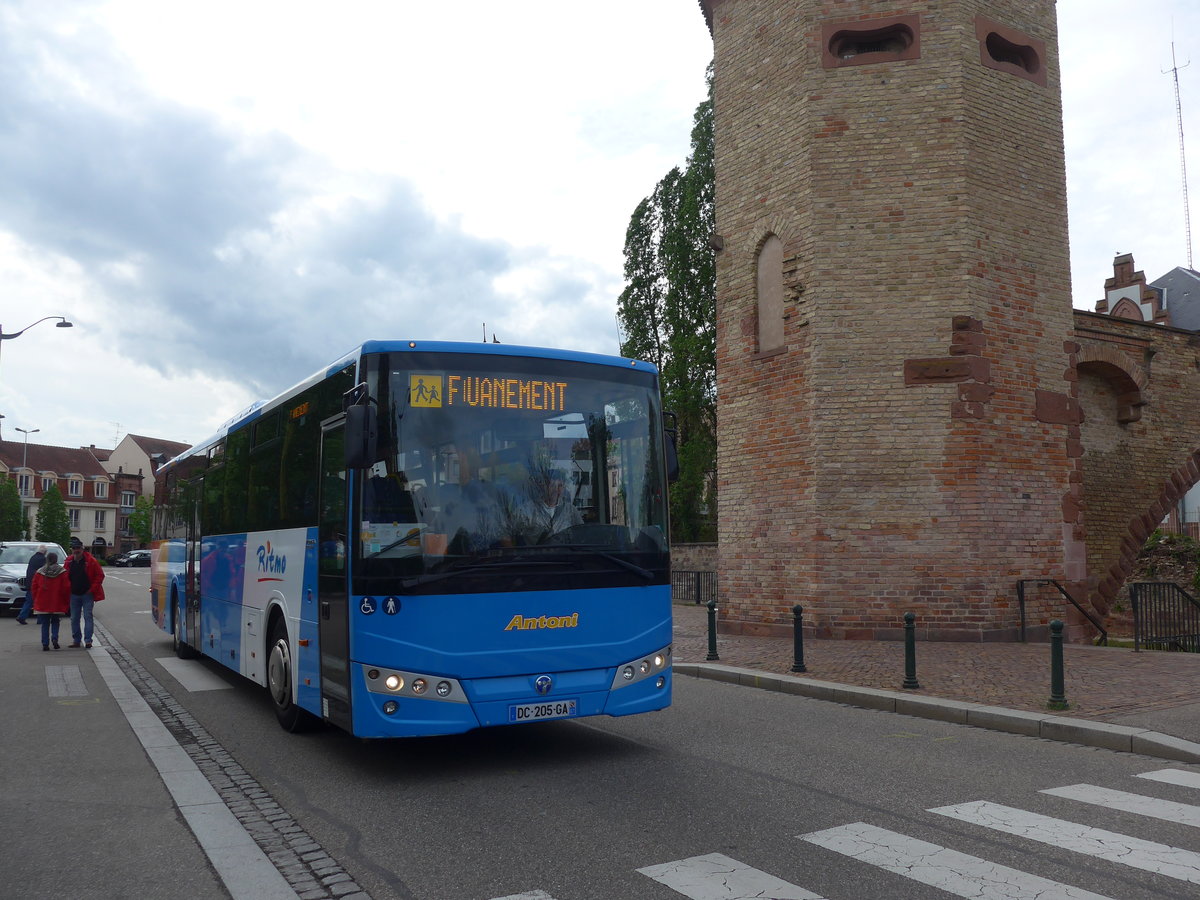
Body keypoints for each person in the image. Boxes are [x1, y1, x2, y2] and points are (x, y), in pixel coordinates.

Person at [522, 468, 582, 543]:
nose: (557, 490)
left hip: (566, 553)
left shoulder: (571, 511)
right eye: (553, 485)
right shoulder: (527, 509)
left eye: (560, 486)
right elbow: (508, 532)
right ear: (544, 486)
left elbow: (581, 535)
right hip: (536, 553)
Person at [66, 543, 105, 649]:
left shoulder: (91, 561)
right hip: (74, 594)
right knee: (74, 618)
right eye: (74, 548)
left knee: (88, 616)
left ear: (82, 549)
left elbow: (100, 575)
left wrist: (92, 589)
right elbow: (64, 576)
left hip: (87, 594)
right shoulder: (69, 562)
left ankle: (88, 641)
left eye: (78, 548)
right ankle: (76, 640)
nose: (76, 550)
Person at [30, 550, 70, 650]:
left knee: (45, 624)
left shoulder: (40, 572)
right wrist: (66, 601)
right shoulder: (62, 572)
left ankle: (45, 643)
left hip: (43, 602)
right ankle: (55, 638)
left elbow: (34, 587)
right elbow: (66, 588)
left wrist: (36, 600)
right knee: (56, 621)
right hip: (57, 602)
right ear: (56, 559)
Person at [14, 544, 46, 624]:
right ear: (45, 552)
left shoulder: (32, 558)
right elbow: (44, 571)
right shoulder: (43, 559)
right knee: (40, 602)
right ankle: (40, 619)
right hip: (38, 584)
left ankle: (22, 616)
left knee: (28, 601)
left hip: (30, 583)